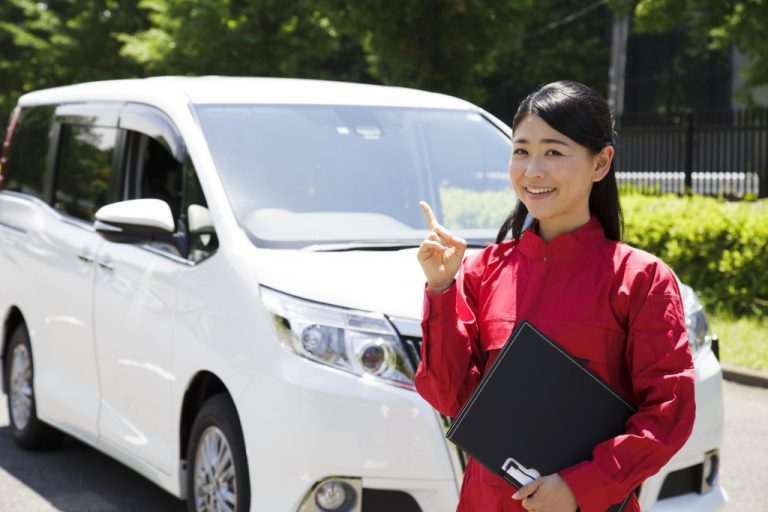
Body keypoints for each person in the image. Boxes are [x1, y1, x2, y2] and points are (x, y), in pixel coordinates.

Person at [414, 80, 695, 512]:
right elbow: (450, 397)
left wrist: (581, 487)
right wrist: (441, 290)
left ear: (600, 163)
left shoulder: (640, 279)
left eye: (554, 152)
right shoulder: (482, 272)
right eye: (521, 150)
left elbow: (668, 412)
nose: (532, 171)